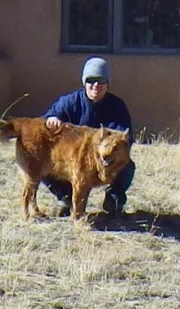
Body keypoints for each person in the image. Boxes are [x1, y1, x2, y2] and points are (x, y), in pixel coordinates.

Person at [43, 56, 135, 216]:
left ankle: (113, 201)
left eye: (101, 81)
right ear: (84, 82)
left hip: (105, 159)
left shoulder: (117, 106)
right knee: (44, 164)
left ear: (108, 83)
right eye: (91, 80)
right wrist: (51, 119)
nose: (96, 85)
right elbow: (48, 118)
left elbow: (125, 136)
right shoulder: (69, 102)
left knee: (127, 167)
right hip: (72, 161)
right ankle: (67, 198)